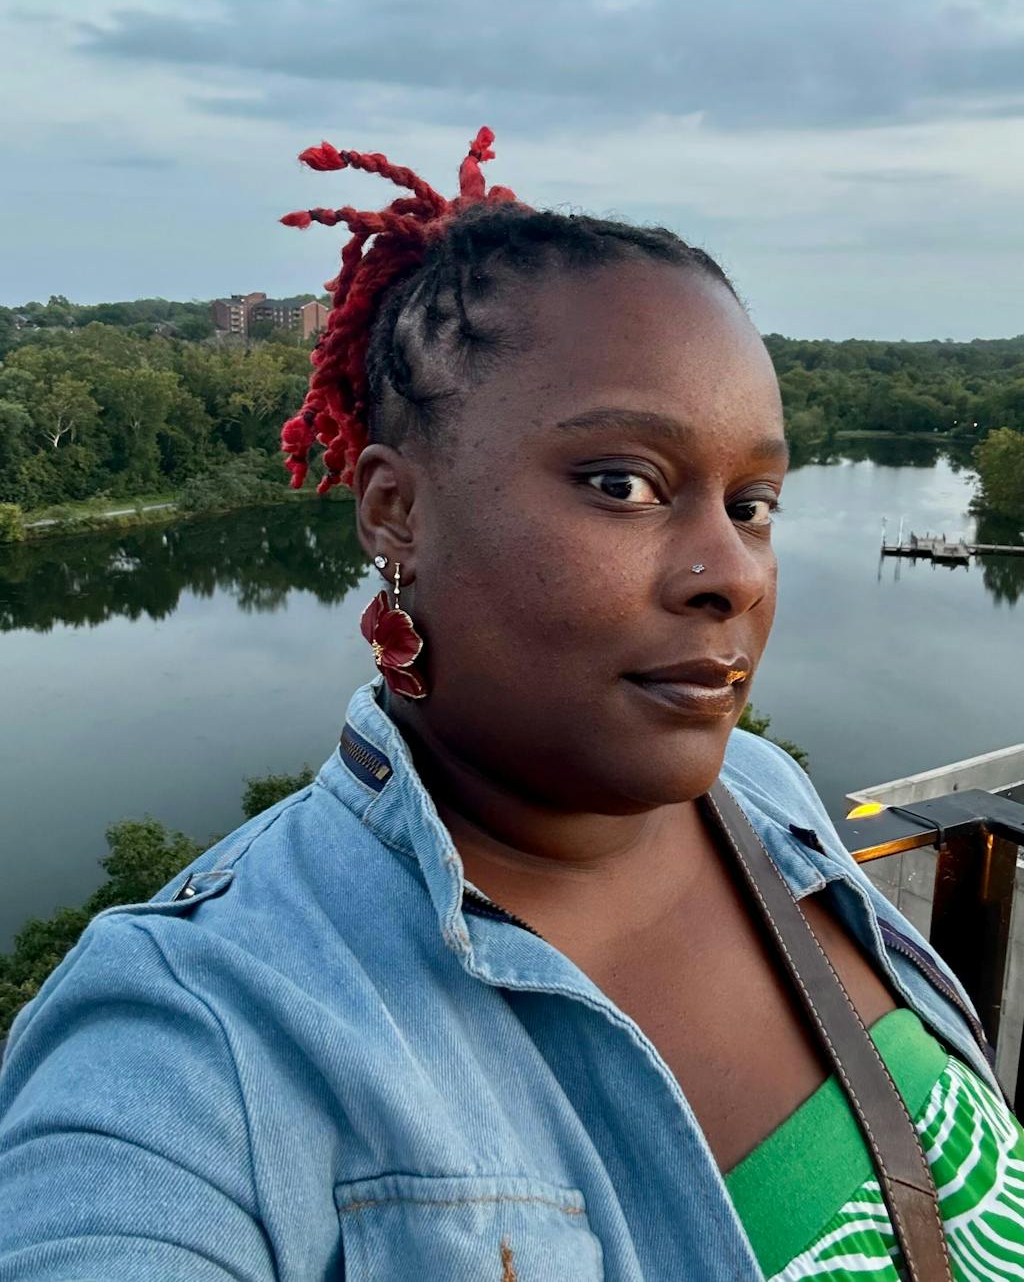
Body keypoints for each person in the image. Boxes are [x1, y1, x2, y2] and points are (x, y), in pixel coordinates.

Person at [0, 129, 1020, 1282]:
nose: (731, 573)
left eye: (752, 502)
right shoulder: (200, 1039)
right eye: (621, 484)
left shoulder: (761, 793)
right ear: (395, 513)